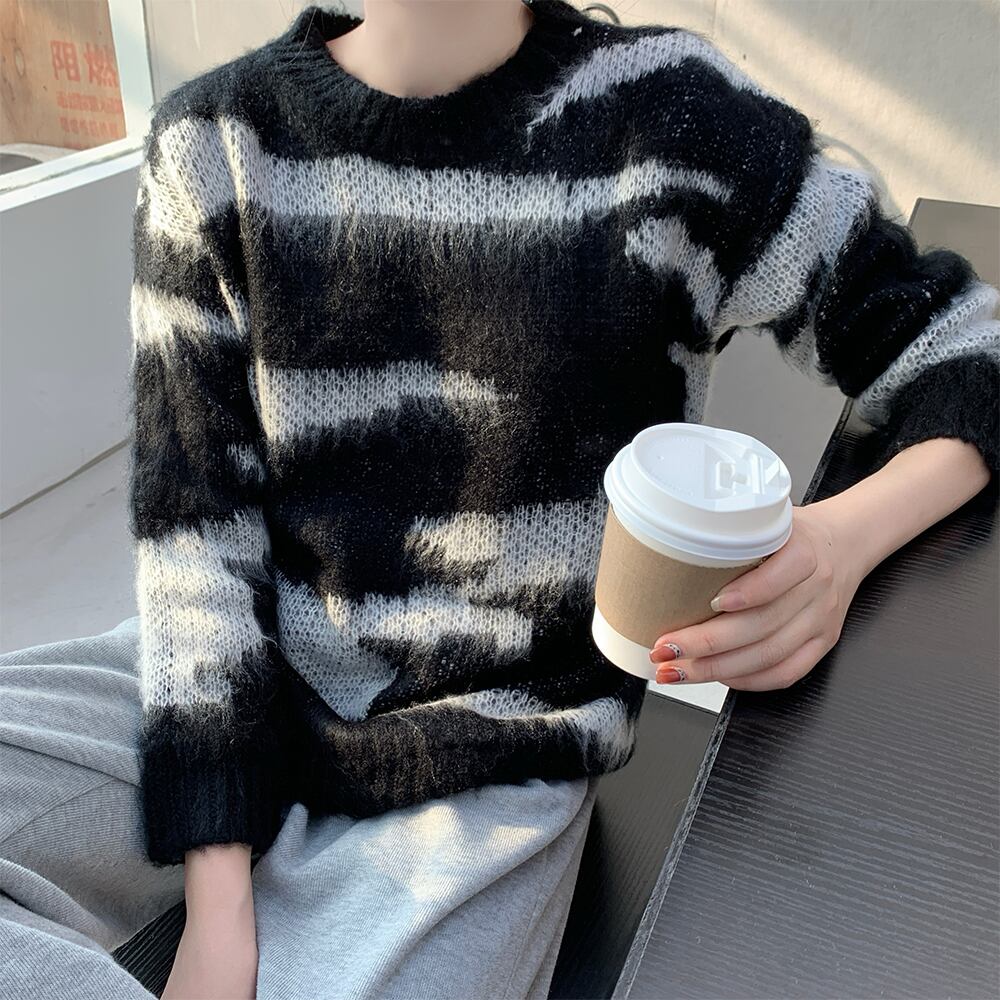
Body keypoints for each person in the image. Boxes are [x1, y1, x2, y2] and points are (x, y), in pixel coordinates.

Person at [1, 1, 997, 997]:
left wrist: (836, 545)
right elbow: (195, 534)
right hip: (210, 681)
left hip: (488, 757)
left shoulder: (673, 120)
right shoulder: (210, 146)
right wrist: (219, 900)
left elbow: (968, 350)